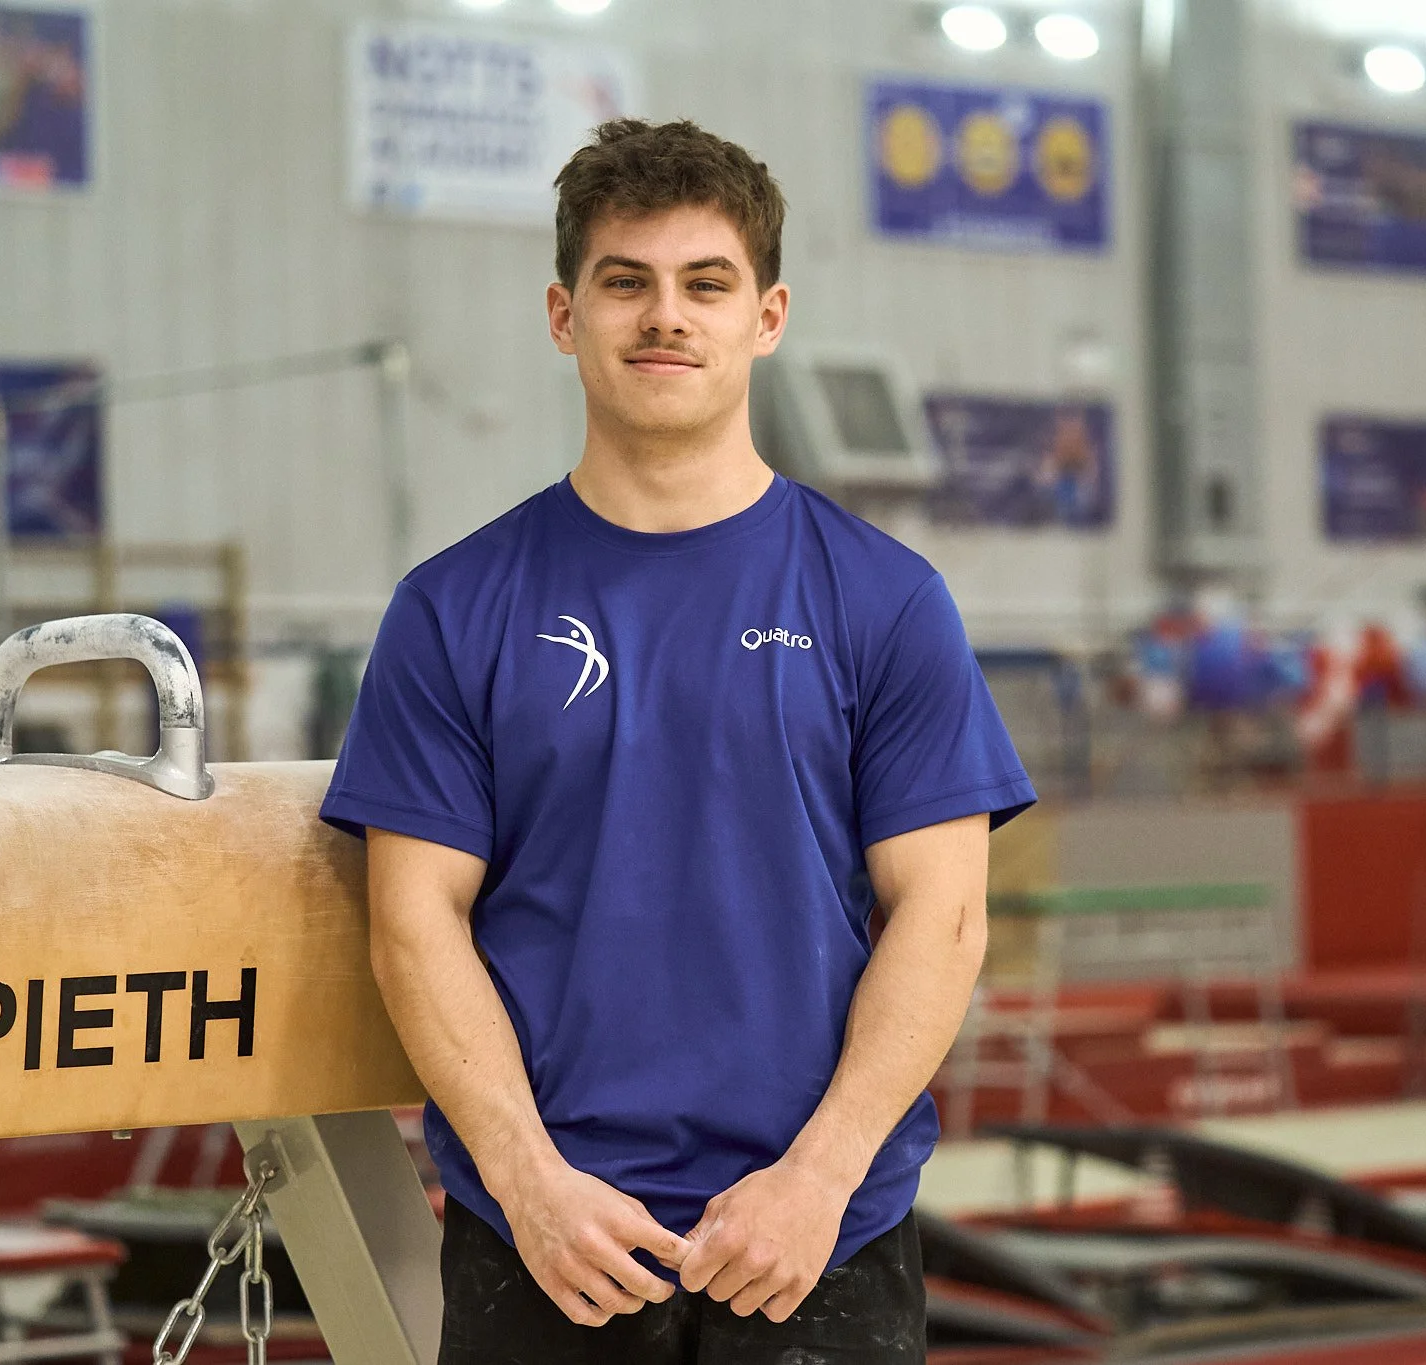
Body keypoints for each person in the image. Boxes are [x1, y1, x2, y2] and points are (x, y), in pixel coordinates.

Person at [321, 118, 1034, 1364]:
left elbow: (945, 917)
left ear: (766, 317)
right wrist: (528, 1179)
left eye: (705, 284)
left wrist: (816, 1178)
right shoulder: (452, 607)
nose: (665, 316)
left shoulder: (882, 599)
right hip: (546, 1233)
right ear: (563, 315)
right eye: (624, 283)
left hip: (821, 1236)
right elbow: (411, 922)